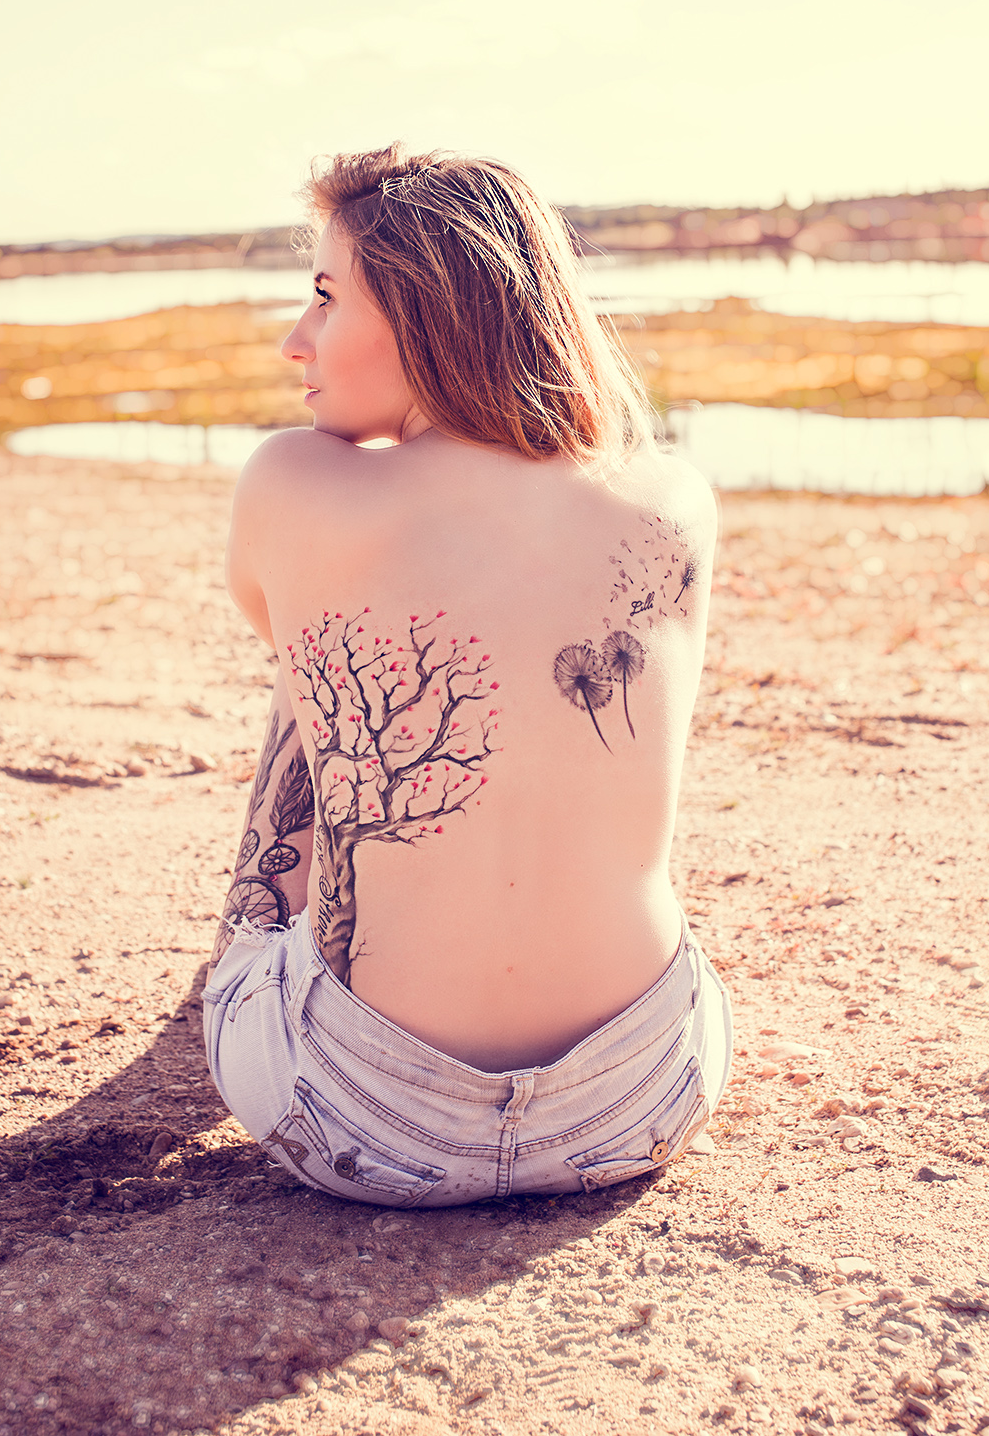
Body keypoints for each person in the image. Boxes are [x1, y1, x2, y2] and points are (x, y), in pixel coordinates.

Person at [202, 144, 731, 1206]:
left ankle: (260, 936)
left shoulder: (293, 479)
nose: (295, 339)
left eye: (324, 297)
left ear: (425, 310)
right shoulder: (672, 494)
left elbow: (278, 637)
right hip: (640, 1097)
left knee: (323, 667)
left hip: (359, 1114)